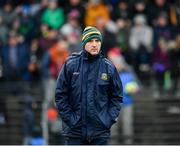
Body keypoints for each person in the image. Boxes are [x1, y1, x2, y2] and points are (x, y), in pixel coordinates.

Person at [55, 26, 123, 145]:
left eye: (97, 41)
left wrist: (107, 120)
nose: (94, 44)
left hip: (100, 133)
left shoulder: (109, 68)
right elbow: (60, 95)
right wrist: (71, 120)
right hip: (74, 133)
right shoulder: (70, 65)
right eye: (91, 41)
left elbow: (117, 97)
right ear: (84, 43)